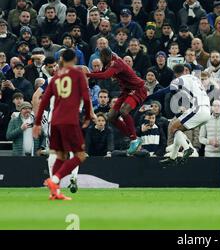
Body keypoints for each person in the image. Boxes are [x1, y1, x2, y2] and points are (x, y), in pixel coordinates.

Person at [33, 49, 93, 201]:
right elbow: (86, 98)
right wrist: (87, 115)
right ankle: (54, 181)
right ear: (74, 60)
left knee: (60, 155)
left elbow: (44, 101)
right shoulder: (78, 75)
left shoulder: (54, 78)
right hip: (70, 121)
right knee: (79, 155)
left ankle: (55, 192)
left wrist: (37, 122)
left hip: (55, 121)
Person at [86, 48, 147, 155]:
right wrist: (89, 73)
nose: (102, 59)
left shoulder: (117, 63)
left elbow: (105, 76)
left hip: (137, 89)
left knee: (124, 111)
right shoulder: (109, 61)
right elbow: (102, 72)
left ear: (108, 56)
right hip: (126, 91)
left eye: (103, 58)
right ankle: (134, 138)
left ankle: (134, 139)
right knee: (111, 117)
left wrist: (87, 74)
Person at [147, 64, 211, 165]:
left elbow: (165, 91)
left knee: (173, 127)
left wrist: (148, 97)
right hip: (207, 111)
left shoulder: (178, 80)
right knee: (177, 129)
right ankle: (173, 156)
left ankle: (187, 148)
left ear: (175, 73)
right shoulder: (194, 78)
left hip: (198, 109)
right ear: (185, 71)